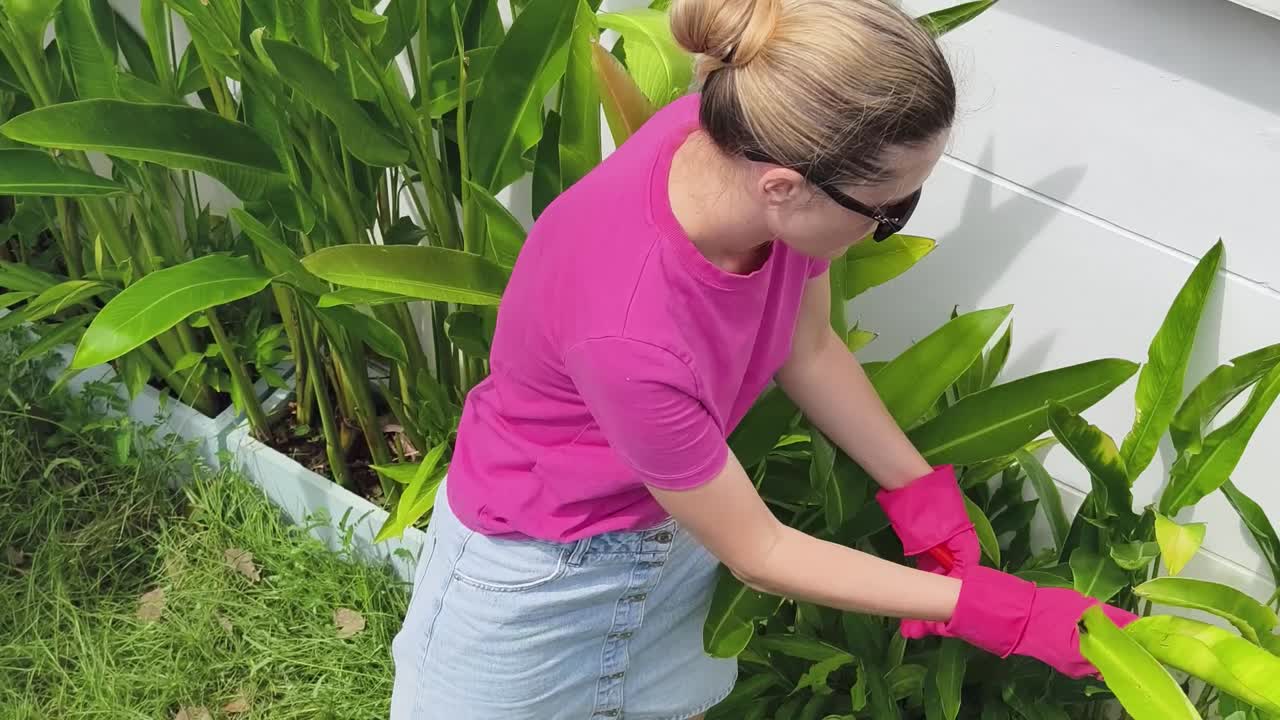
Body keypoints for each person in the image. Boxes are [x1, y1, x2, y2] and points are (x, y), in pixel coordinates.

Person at [390, 0, 1135, 717]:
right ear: (783, 187)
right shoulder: (628, 328)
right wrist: (1001, 611)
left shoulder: (743, 138)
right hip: (537, 578)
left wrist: (920, 495)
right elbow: (760, 550)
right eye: (889, 211)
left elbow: (806, 348)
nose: (896, 221)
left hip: (679, 525)